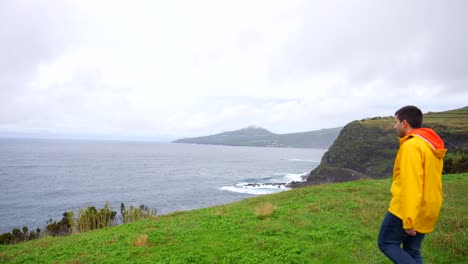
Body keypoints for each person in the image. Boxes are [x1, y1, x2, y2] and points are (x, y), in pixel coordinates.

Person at [378, 105, 447, 264]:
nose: (394, 126)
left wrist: (409, 218)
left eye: (395, 122)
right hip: (428, 207)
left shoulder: (411, 146)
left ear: (404, 123)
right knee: (411, 250)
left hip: (407, 209)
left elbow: (412, 183)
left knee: (386, 243)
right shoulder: (430, 146)